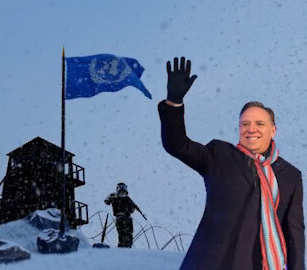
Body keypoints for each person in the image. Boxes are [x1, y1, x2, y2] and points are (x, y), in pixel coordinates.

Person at [158, 57, 304, 269]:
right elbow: (177, 145)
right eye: (245, 123)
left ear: (273, 130)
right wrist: (174, 103)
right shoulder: (219, 155)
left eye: (260, 123)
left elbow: (295, 233)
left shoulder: (290, 175)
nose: (251, 129)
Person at [104, 182, 141, 248]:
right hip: (126, 219)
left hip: (119, 219)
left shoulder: (115, 197)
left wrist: (112, 197)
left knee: (122, 235)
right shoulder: (126, 199)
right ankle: (125, 248)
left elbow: (106, 201)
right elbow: (132, 210)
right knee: (127, 235)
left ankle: (122, 247)